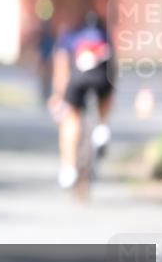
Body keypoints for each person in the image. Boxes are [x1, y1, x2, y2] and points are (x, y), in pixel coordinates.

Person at [47, 10, 115, 190]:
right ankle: (102, 129)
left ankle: (68, 168)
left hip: (77, 79)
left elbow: (61, 67)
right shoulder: (104, 34)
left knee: (71, 118)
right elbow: (113, 66)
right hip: (102, 78)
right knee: (105, 95)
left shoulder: (68, 35)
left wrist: (57, 94)